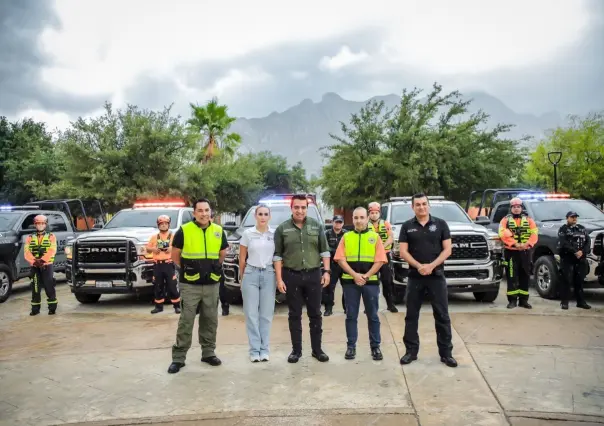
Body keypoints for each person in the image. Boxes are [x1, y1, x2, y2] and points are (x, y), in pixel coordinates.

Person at [167, 198, 229, 374]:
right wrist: (187, 270)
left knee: (210, 319)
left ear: (211, 212)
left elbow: (222, 253)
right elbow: (175, 256)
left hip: (212, 283)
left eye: (207, 210)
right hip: (190, 284)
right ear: (194, 213)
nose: (204, 214)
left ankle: (208, 353)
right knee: (186, 320)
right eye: (200, 211)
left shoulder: (218, 230)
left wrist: (212, 268)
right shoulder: (184, 230)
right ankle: (178, 358)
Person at [398, 193, 457, 368]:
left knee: (442, 316)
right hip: (415, 277)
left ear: (428, 205)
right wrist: (419, 266)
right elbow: (403, 252)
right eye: (417, 205)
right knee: (411, 316)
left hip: (436, 276)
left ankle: (446, 354)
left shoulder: (440, 224)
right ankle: (411, 352)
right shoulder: (407, 227)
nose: (421, 207)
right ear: (413, 207)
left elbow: (447, 250)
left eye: (424, 204)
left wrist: (431, 266)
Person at [274, 194, 331, 363]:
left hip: (314, 275)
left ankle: (317, 350)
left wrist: (326, 272)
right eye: (296, 207)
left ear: (307, 208)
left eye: (303, 207)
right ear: (291, 208)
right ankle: (296, 351)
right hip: (292, 276)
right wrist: (279, 280)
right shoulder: (282, 229)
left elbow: (325, 251)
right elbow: (277, 256)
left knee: (315, 314)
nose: (300, 210)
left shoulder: (316, 226)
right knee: (294, 314)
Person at [334, 207, 387, 361]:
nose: (359, 220)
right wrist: (355, 275)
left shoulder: (375, 237)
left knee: (373, 315)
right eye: (356, 218)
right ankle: (351, 346)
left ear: (367, 218)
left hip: (370, 283)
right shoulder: (346, 236)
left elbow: (380, 260)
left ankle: (375, 347)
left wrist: (366, 276)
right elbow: (340, 259)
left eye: (362, 217)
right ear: (352, 219)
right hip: (350, 283)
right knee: (351, 315)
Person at [239, 204, 277, 362]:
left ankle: (264, 349)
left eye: (265, 214)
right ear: (255, 216)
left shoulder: (274, 234)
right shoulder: (248, 234)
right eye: (260, 214)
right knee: (251, 314)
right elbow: (242, 258)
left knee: (266, 315)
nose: (262, 217)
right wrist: (241, 277)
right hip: (251, 273)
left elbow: (278, 257)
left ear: (269, 216)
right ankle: (254, 350)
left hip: (269, 274)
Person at [498, 197, 538, 309]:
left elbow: (534, 234)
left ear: (521, 208)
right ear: (511, 208)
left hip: (525, 252)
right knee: (511, 276)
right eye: (514, 207)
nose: (516, 209)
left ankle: (523, 301)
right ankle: (512, 301)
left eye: (518, 207)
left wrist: (527, 244)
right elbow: (502, 234)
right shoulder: (505, 220)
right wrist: (515, 243)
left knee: (525, 276)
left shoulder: (529, 220)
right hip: (511, 252)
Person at [24, 214, 58, 316]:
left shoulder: (51, 236)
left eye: (42, 224)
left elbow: (52, 250)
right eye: (38, 224)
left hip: (47, 266)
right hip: (35, 267)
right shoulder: (29, 238)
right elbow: (26, 252)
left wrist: (42, 261)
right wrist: (34, 262)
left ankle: (52, 308)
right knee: (35, 288)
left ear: (45, 225)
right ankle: (35, 309)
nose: (40, 225)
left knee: (49, 286)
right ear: (35, 225)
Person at [147, 214, 181, 314]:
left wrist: (171, 248)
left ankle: (177, 306)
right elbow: (147, 248)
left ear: (168, 225)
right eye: (161, 224)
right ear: (158, 225)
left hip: (169, 264)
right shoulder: (154, 237)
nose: (163, 225)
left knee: (172, 286)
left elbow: (179, 247)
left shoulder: (173, 236)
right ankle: (158, 307)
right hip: (158, 265)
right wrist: (153, 249)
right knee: (158, 286)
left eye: (166, 224)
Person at [557, 211, 591, 310]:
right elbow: (564, 243)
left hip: (581, 258)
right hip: (568, 257)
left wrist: (583, 251)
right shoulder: (563, 229)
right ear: (567, 218)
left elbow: (588, 241)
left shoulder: (581, 228)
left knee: (579, 280)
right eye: (572, 217)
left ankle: (581, 302)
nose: (574, 219)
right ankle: (564, 302)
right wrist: (575, 251)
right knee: (566, 280)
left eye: (575, 217)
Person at [368, 202, 398, 313]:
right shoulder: (365, 224)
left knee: (387, 281)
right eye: (372, 213)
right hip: (370, 257)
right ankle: (370, 307)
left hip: (384, 256)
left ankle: (391, 305)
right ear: (369, 214)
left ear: (379, 213)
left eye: (376, 213)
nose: (374, 215)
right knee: (371, 282)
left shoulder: (386, 224)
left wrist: (381, 247)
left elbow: (391, 238)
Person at [322, 215, 347, 315]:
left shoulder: (347, 234)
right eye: (336, 222)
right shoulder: (327, 234)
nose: (338, 224)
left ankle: (347, 308)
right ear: (332, 222)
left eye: (340, 222)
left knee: (346, 287)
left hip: (344, 265)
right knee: (328, 288)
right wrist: (337, 252)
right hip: (331, 265)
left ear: (343, 223)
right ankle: (328, 309)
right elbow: (325, 248)